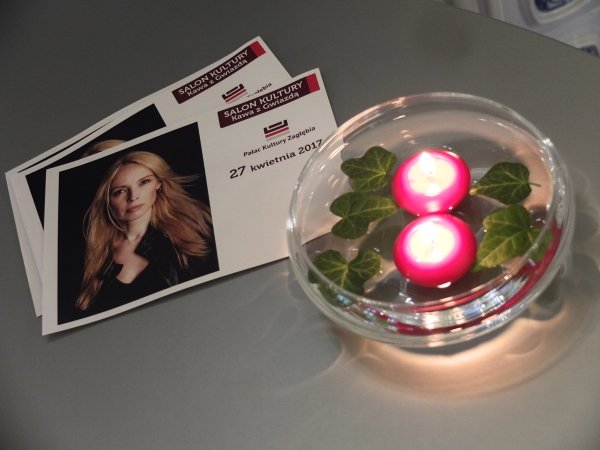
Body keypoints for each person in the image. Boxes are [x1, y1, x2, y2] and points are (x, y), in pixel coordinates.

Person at [76, 150, 217, 315]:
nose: (133, 197)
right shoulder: (94, 252)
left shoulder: (195, 230)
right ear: (107, 200)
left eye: (144, 182)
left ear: (159, 182)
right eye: (120, 191)